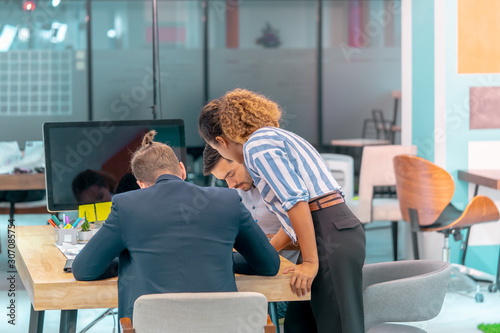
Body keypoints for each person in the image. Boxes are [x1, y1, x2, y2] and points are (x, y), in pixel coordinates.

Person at [199, 89, 366, 333]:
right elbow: (293, 214)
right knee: (298, 325)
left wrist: (309, 262)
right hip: (331, 228)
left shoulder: (256, 145)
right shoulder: (272, 137)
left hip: (329, 231)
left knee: (337, 326)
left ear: (221, 142)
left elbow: (295, 201)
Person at [72, 130, 280, 320]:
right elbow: (269, 264)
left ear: (141, 185)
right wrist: (223, 257)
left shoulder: (125, 206)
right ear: (182, 169)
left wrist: (127, 260)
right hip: (220, 325)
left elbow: (83, 269)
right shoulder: (228, 200)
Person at [203, 143, 299, 263]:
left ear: (242, 157)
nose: (231, 185)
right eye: (224, 180)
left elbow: (303, 231)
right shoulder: (237, 193)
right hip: (252, 269)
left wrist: (265, 250)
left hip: (285, 270)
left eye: (231, 174)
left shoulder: (279, 183)